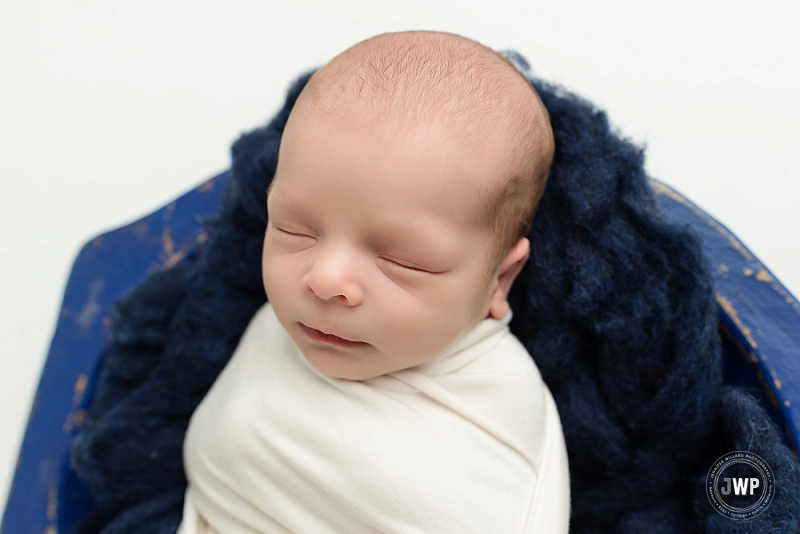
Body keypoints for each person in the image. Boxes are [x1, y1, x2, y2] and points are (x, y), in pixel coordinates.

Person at [176, 30, 570, 533]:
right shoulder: (276, 327)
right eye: (294, 230)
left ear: (500, 278)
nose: (325, 278)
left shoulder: (497, 409)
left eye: (401, 261)